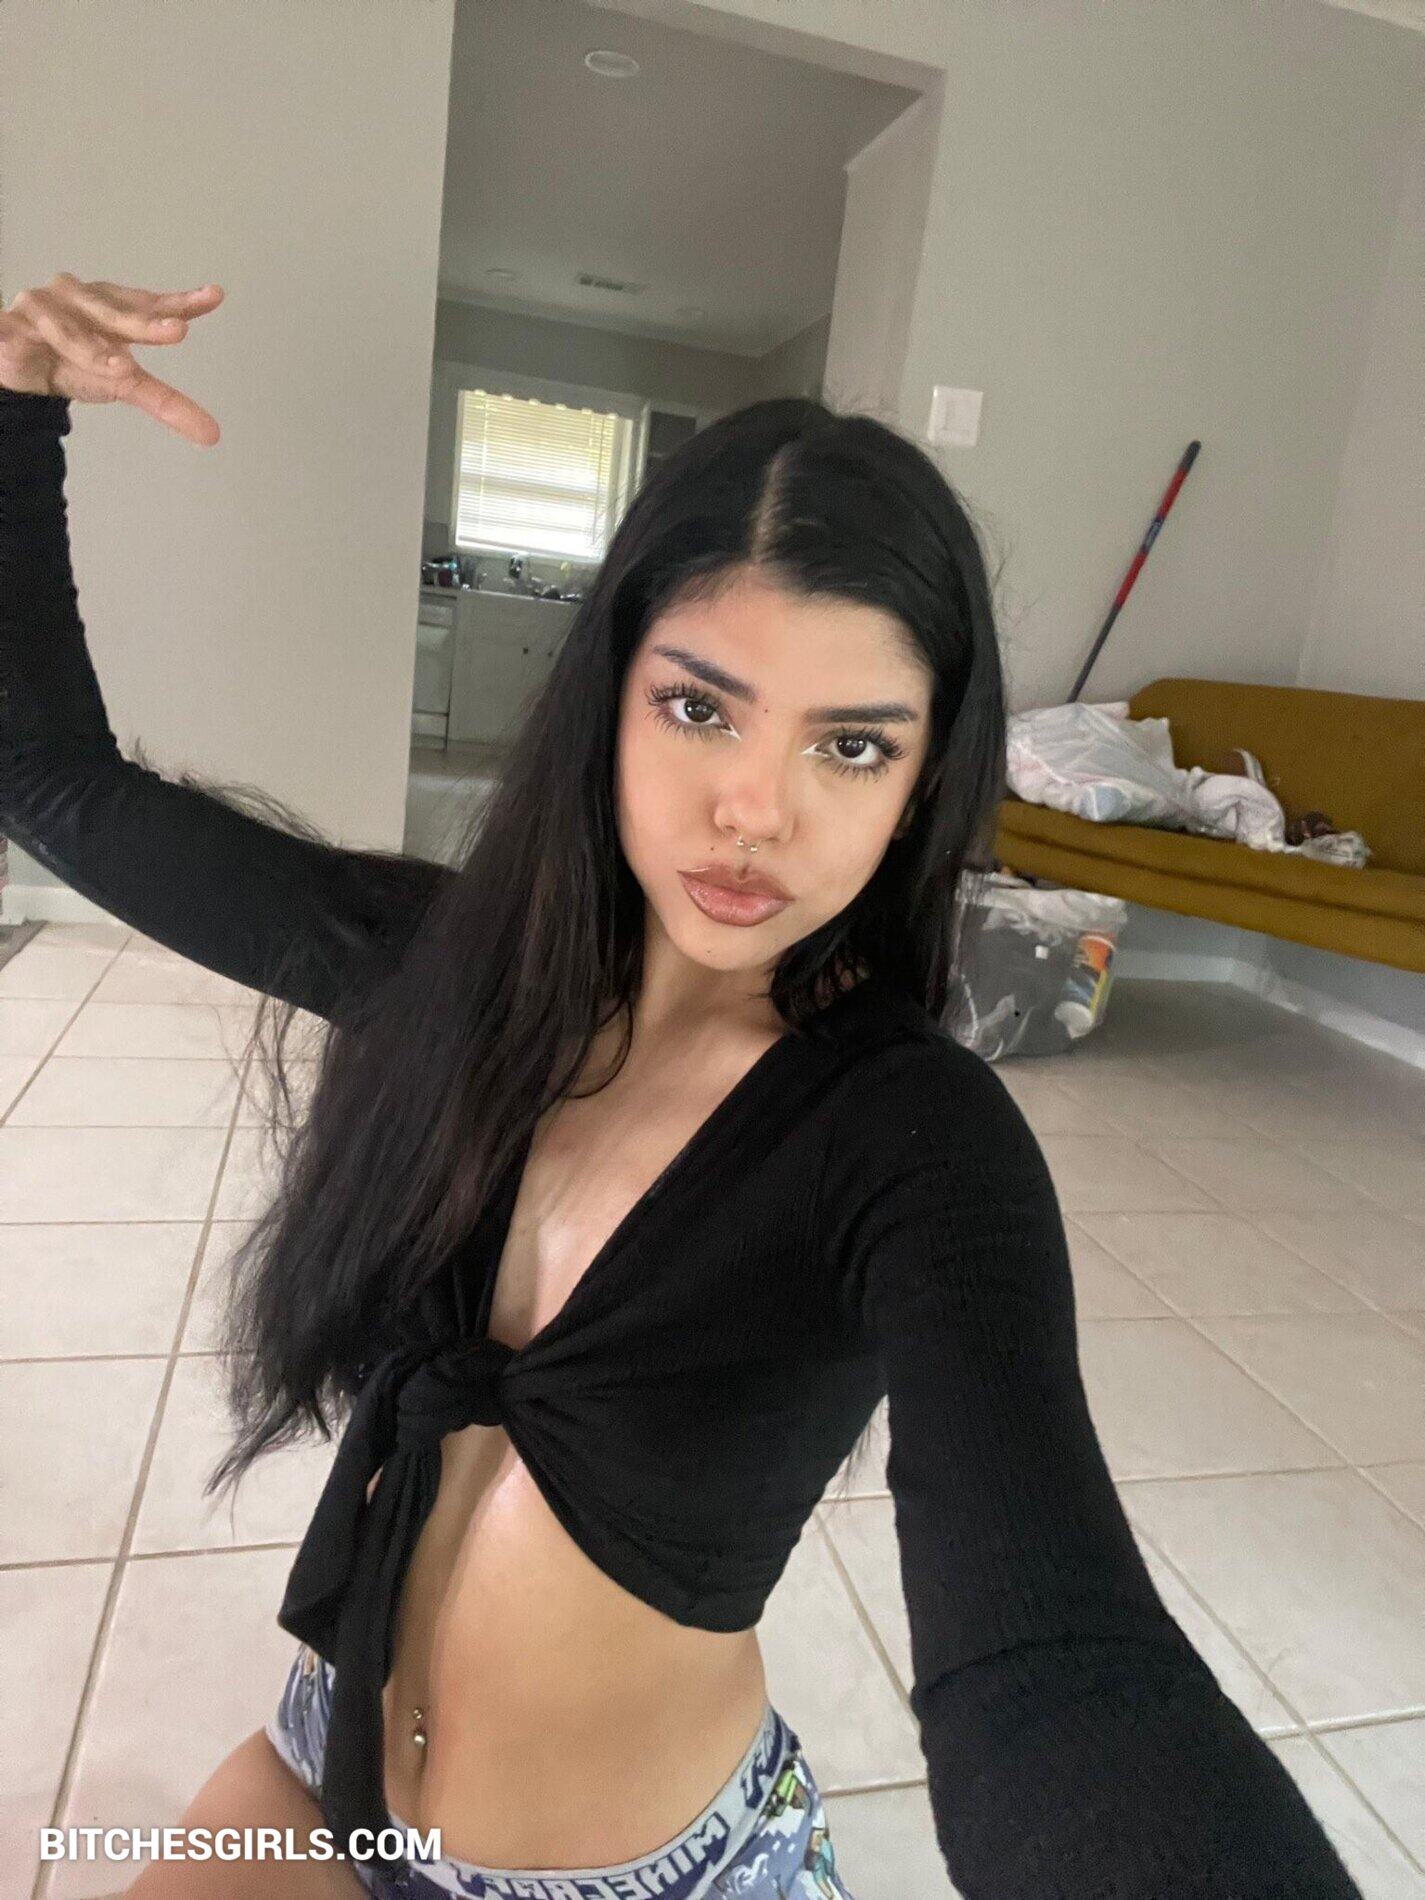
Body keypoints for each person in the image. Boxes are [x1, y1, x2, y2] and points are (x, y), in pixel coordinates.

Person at [0, 274, 1363, 1900]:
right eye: (701, 708)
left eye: (850, 744)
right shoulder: (443, 969)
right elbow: (51, 780)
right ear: (612, 700)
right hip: (327, 1766)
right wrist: (14, 415)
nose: (753, 812)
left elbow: (1062, 1663)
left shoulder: (912, 1140)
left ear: (922, 779)